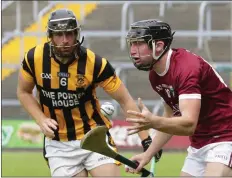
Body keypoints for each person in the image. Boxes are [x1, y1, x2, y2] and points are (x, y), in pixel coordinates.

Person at [16, 9, 162, 177]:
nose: (65, 40)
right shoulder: (34, 58)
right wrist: (41, 119)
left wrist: (146, 139)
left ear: (77, 33)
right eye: (59, 34)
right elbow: (24, 92)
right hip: (59, 145)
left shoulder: (95, 63)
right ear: (50, 35)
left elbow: (125, 100)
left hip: (94, 137)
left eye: (70, 34)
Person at [124, 19, 232, 177]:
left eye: (139, 44)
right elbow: (172, 117)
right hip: (199, 142)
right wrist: (147, 155)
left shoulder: (187, 68)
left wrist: (154, 122)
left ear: (159, 46)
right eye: (132, 44)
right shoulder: (155, 75)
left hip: (226, 136)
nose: (133, 51)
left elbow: (188, 124)